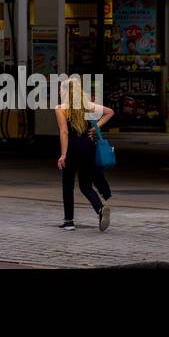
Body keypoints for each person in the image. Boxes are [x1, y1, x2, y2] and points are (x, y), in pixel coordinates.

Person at [55, 75, 114, 232]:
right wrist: (96, 127)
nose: (59, 91)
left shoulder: (61, 109)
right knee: (85, 185)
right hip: (88, 147)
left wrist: (63, 154)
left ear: (66, 92)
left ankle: (69, 222)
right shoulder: (86, 106)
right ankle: (100, 209)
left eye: (61, 88)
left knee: (68, 184)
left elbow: (64, 132)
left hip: (72, 147)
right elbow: (109, 112)